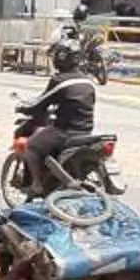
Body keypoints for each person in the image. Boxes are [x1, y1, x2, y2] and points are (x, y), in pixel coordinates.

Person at [15, 48, 103, 195]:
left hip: (65, 131)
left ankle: (36, 185)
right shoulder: (88, 81)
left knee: (30, 146)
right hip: (86, 131)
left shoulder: (60, 81)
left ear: (60, 60)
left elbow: (41, 102)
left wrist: (23, 108)